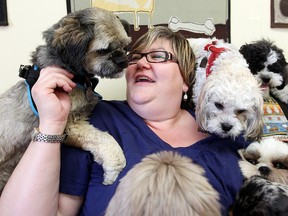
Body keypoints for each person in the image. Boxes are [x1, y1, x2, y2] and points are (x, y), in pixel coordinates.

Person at [0, 26, 249, 216]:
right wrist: (51, 122)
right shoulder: (93, 121)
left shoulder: (229, 136)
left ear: (186, 78)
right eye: (135, 56)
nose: (140, 63)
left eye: (158, 56)